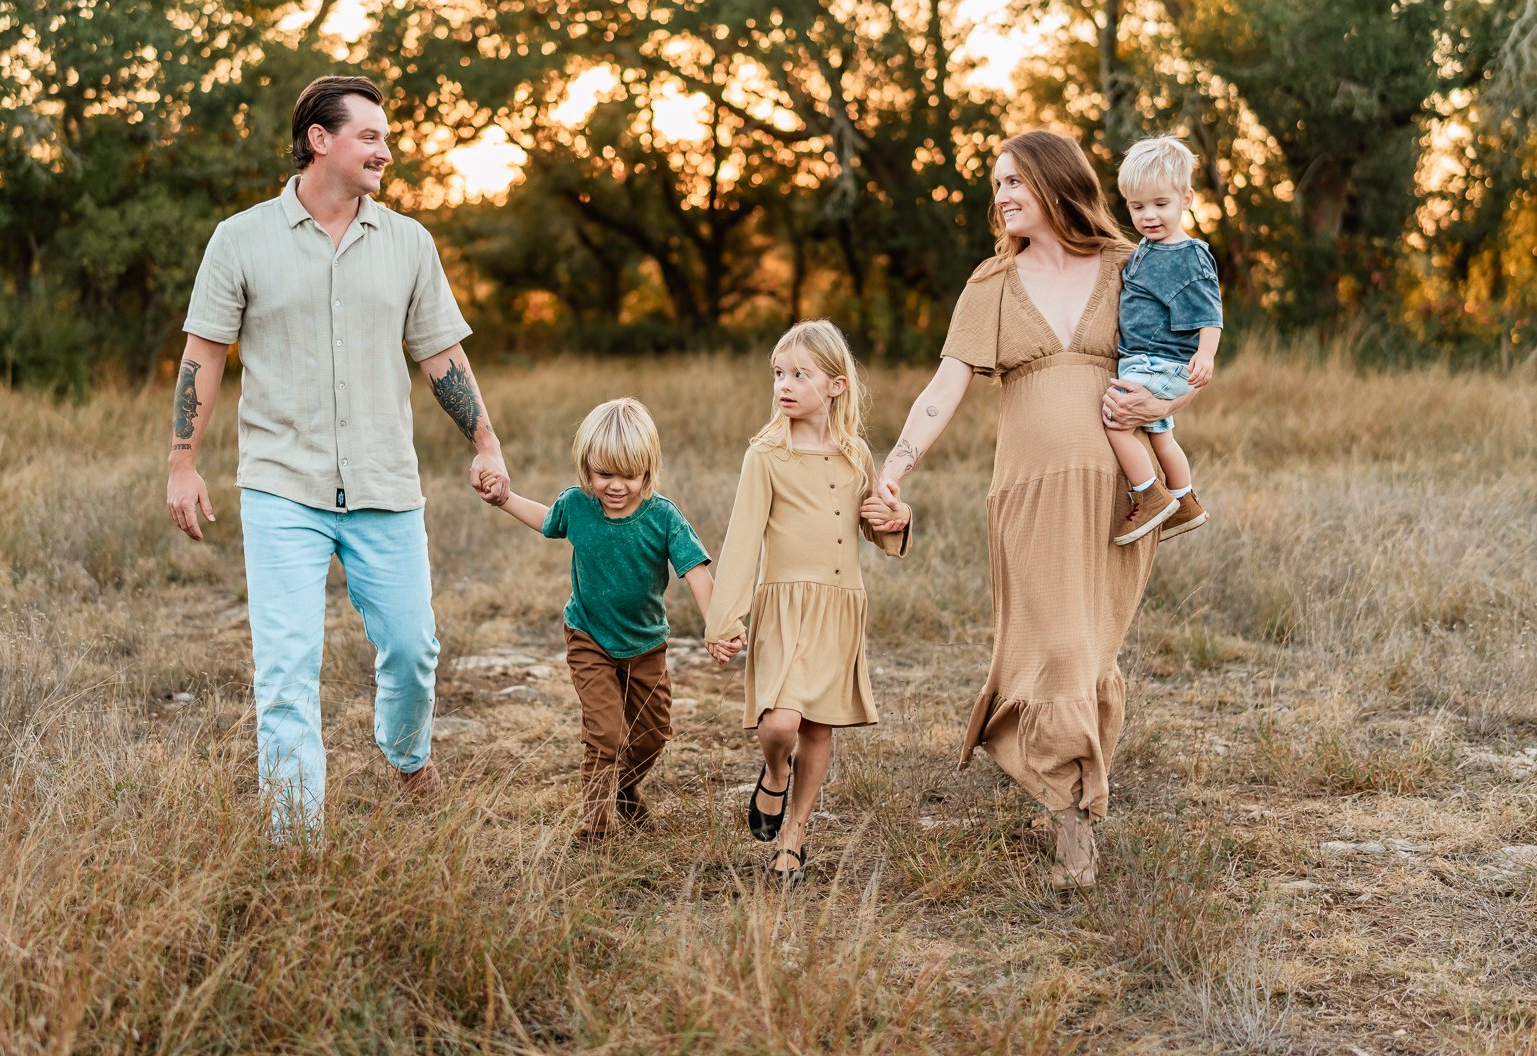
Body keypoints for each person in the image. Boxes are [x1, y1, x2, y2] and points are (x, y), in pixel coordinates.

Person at [164, 74, 510, 839]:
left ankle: (408, 752)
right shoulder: (241, 239)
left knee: (414, 650)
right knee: (287, 673)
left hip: (386, 486)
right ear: (321, 140)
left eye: (385, 137)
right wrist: (181, 462)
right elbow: (204, 356)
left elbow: (441, 357)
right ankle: (295, 849)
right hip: (282, 488)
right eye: (371, 136)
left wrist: (486, 443)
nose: (387, 150)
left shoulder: (409, 243)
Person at [868, 130, 1191, 888]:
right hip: (1031, 494)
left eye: (1015, 181)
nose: (1003, 196)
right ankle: (1073, 823)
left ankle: (1070, 787)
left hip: (1122, 496)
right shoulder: (992, 283)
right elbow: (943, 388)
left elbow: (1182, 358)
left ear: (1054, 183)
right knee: (1056, 648)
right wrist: (895, 466)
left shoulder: (1129, 266)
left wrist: (1165, 395)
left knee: (1089, 647)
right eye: (998, 185)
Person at [704, 320, 910, 887]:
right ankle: (774, 772)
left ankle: (794, 836)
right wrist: (725, 618)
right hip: (786, 606)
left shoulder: (855, 454)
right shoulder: (766, 455)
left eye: (800, 374)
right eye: (778, 374)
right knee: (781, 724)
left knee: (819, 727)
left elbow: (875, 524)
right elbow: (742, 539)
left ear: (836, 385)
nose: (784, 385)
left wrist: (898, 518)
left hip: (841, 604)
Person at [476, 398, 714, 843]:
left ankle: (623, 789)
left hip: (646, 645)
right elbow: (546, 519)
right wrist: (505, 498)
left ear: (648, 471)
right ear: (587, 469)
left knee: (652, 735)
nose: (617, 486)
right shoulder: (578, 506)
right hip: (589, 637)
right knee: (606, 734)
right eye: (605, 474)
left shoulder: (663, 518)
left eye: (629, 475)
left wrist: (717, 625)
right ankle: (596, 829)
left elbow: (696, 573)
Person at [1106, 136, 1223, 545]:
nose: (1148, 216)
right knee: (1161, 436)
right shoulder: (1147, 248)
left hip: (1159, 362)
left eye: (1160, 204)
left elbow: (1210, 312)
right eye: (1137, 207)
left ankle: (1148, 495)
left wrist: (1205, 355)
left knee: (1117, 420)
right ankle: (1184, 499)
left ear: (1186, 198)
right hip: (1149, 361)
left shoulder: (1188, 254)